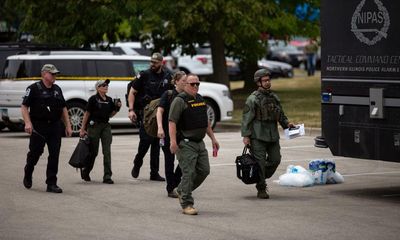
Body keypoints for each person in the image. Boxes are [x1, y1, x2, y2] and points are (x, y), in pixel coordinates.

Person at [169, 74, 219, 215]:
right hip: (185, 143)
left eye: (197, 84)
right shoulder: (179, 101)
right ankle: (187, 203)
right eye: (192, 84)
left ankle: (182, 190)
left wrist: (213, 139)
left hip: (199, 142)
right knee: (188, 172)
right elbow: (172, 122)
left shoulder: (200, 99)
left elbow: (205, 122)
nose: (195, 86)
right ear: (185, 85)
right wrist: (173, 142)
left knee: (204, 170)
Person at [241, 69, 294, 199]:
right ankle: (261, 188)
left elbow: (280, 114)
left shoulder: (273, 97)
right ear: (258, 82)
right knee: (259, 162)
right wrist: (246, 136)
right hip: (258, 135)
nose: (267, 82)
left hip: (273, 135)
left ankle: (261, 174)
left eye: (268, 80)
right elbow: (246, 118)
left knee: (276, 159)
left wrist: (287, 124)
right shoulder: (252, 99)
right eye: (264, 80)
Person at [21, 64, 73, 193]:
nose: (55, 76)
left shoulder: (57, 89)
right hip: (39, 126)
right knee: (35, 153)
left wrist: (68, 125)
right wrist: (28, 123)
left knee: (54, 155)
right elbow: (24, 107)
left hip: (55, 126)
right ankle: (28, 170)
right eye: (52, 74)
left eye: (55, 74)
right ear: (44, 74)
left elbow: (63, 108)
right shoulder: (33, 88)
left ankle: (51, 183)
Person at [128, 52, 173, 181]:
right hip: (147, 114)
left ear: (161, 63)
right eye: (151, 62)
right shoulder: (144, 75)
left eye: (155, 62)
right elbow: (132, 92)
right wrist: (131, 110)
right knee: (145, 142)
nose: (152, 64)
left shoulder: (167, 76)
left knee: (157, 143)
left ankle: (154, 173)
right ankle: (138, 162)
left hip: (161, 114)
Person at [79, 79, 121, 184]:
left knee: (107, 152)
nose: (106, 86)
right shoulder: (93, 99)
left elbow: (110, 115)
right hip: (94, 126)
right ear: (98, 88)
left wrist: (117, 108)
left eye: (107, 85)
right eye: (103, 85)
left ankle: (107, 176)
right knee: (93, 151)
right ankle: (86, 171)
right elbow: (87, 114)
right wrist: (83, 128)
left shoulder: (109, 99)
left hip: (105, 126)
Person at [156, 71, 186, 198]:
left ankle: (175, 182)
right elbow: (159, 111)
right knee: (169, 161)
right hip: (168, 133)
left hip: (183, 133)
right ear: (176, 81)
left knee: (185, 159)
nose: (186, 83)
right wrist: (160, 128)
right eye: (184, 80)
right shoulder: (168, 94)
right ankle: (170, 188)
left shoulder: (187, 95)